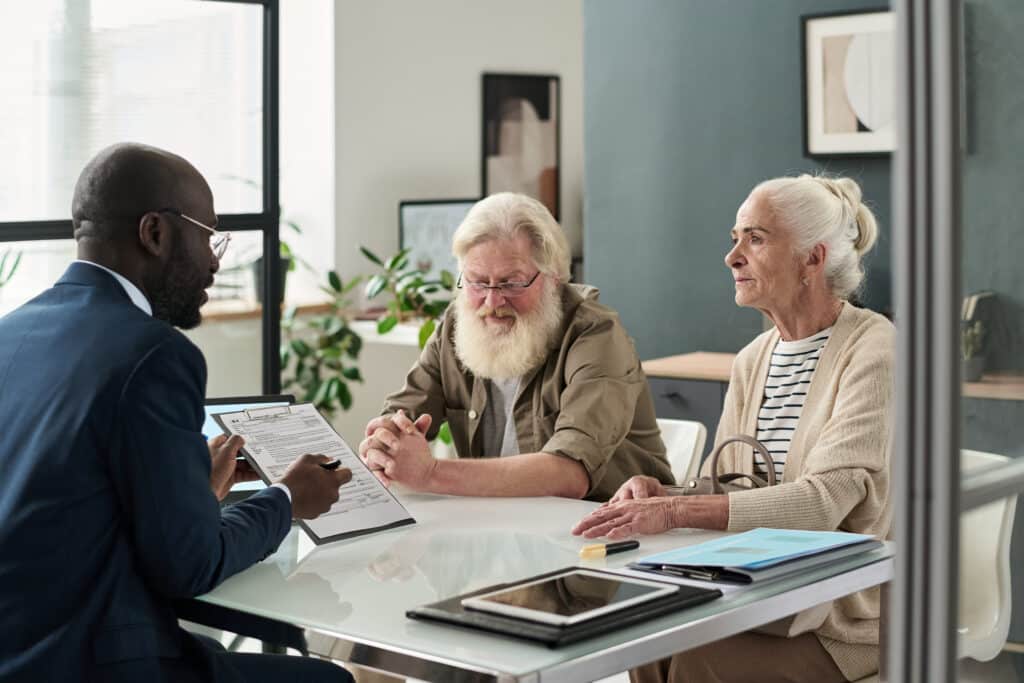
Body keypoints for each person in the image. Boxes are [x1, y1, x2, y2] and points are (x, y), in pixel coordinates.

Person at [0, 143, 354, 683]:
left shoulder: (11, 333)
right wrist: (286, 499)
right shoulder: (154, 354)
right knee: (329, 679)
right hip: (100, 665)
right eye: (209, 235)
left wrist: (195, 492)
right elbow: (189, 566)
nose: (215, 259)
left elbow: (61, 507)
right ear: (156, 233)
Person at [573, 174, 894, 683]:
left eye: (756, 238)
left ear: (812, 258)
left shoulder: (875, 349)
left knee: (696, 662)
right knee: (643, 645)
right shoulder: (752, 360)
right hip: (759, 599)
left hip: (840, 622)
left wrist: (676, 511)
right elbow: (728, 488)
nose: (733, 256)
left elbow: (822, 502)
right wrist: (664, 493)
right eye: (735, 238)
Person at [359, 192, 673, 502]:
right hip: (503, 530)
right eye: (477, 282)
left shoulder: (595, 335)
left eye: (511, 283)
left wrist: (431, 473)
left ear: (553, 278)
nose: (492, 302)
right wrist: (387, 441)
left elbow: (570, 473)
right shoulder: (457, 325)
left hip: (606, 530)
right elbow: (403, 413)